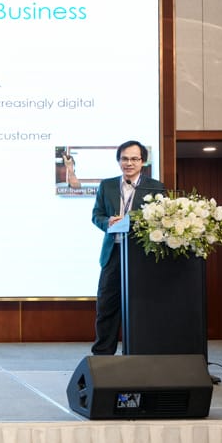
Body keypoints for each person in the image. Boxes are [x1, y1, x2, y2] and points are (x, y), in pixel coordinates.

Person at [90, 140, 165, 355]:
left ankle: (139, 352)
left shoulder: (155, 187)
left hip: (141, 255)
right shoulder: (107, 186)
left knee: (141, 306)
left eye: (134, 159)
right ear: (118, 161)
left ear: (142, 162)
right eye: (124, 159)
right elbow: (97, 215)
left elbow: (161, 219)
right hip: (113, 252)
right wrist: (108, 222)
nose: (129, 163)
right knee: (106, 305)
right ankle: (102, 355)